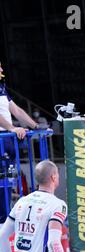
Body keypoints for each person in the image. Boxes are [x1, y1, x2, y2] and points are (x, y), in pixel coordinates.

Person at [0, 160, 78, 252]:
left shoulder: (22, 201)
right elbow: (54, 243)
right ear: (54, 177)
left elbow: (2, 236)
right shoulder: (57, 205)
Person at [0, 61, 41, 224]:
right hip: (2, 139)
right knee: (2, 180)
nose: (2, 69)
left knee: (8, 180)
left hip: (8, 140)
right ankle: (2, 219)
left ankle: (4, 217)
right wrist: (12, 128)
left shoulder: (2, 88)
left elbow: (16, 110)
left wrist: (35, 125)